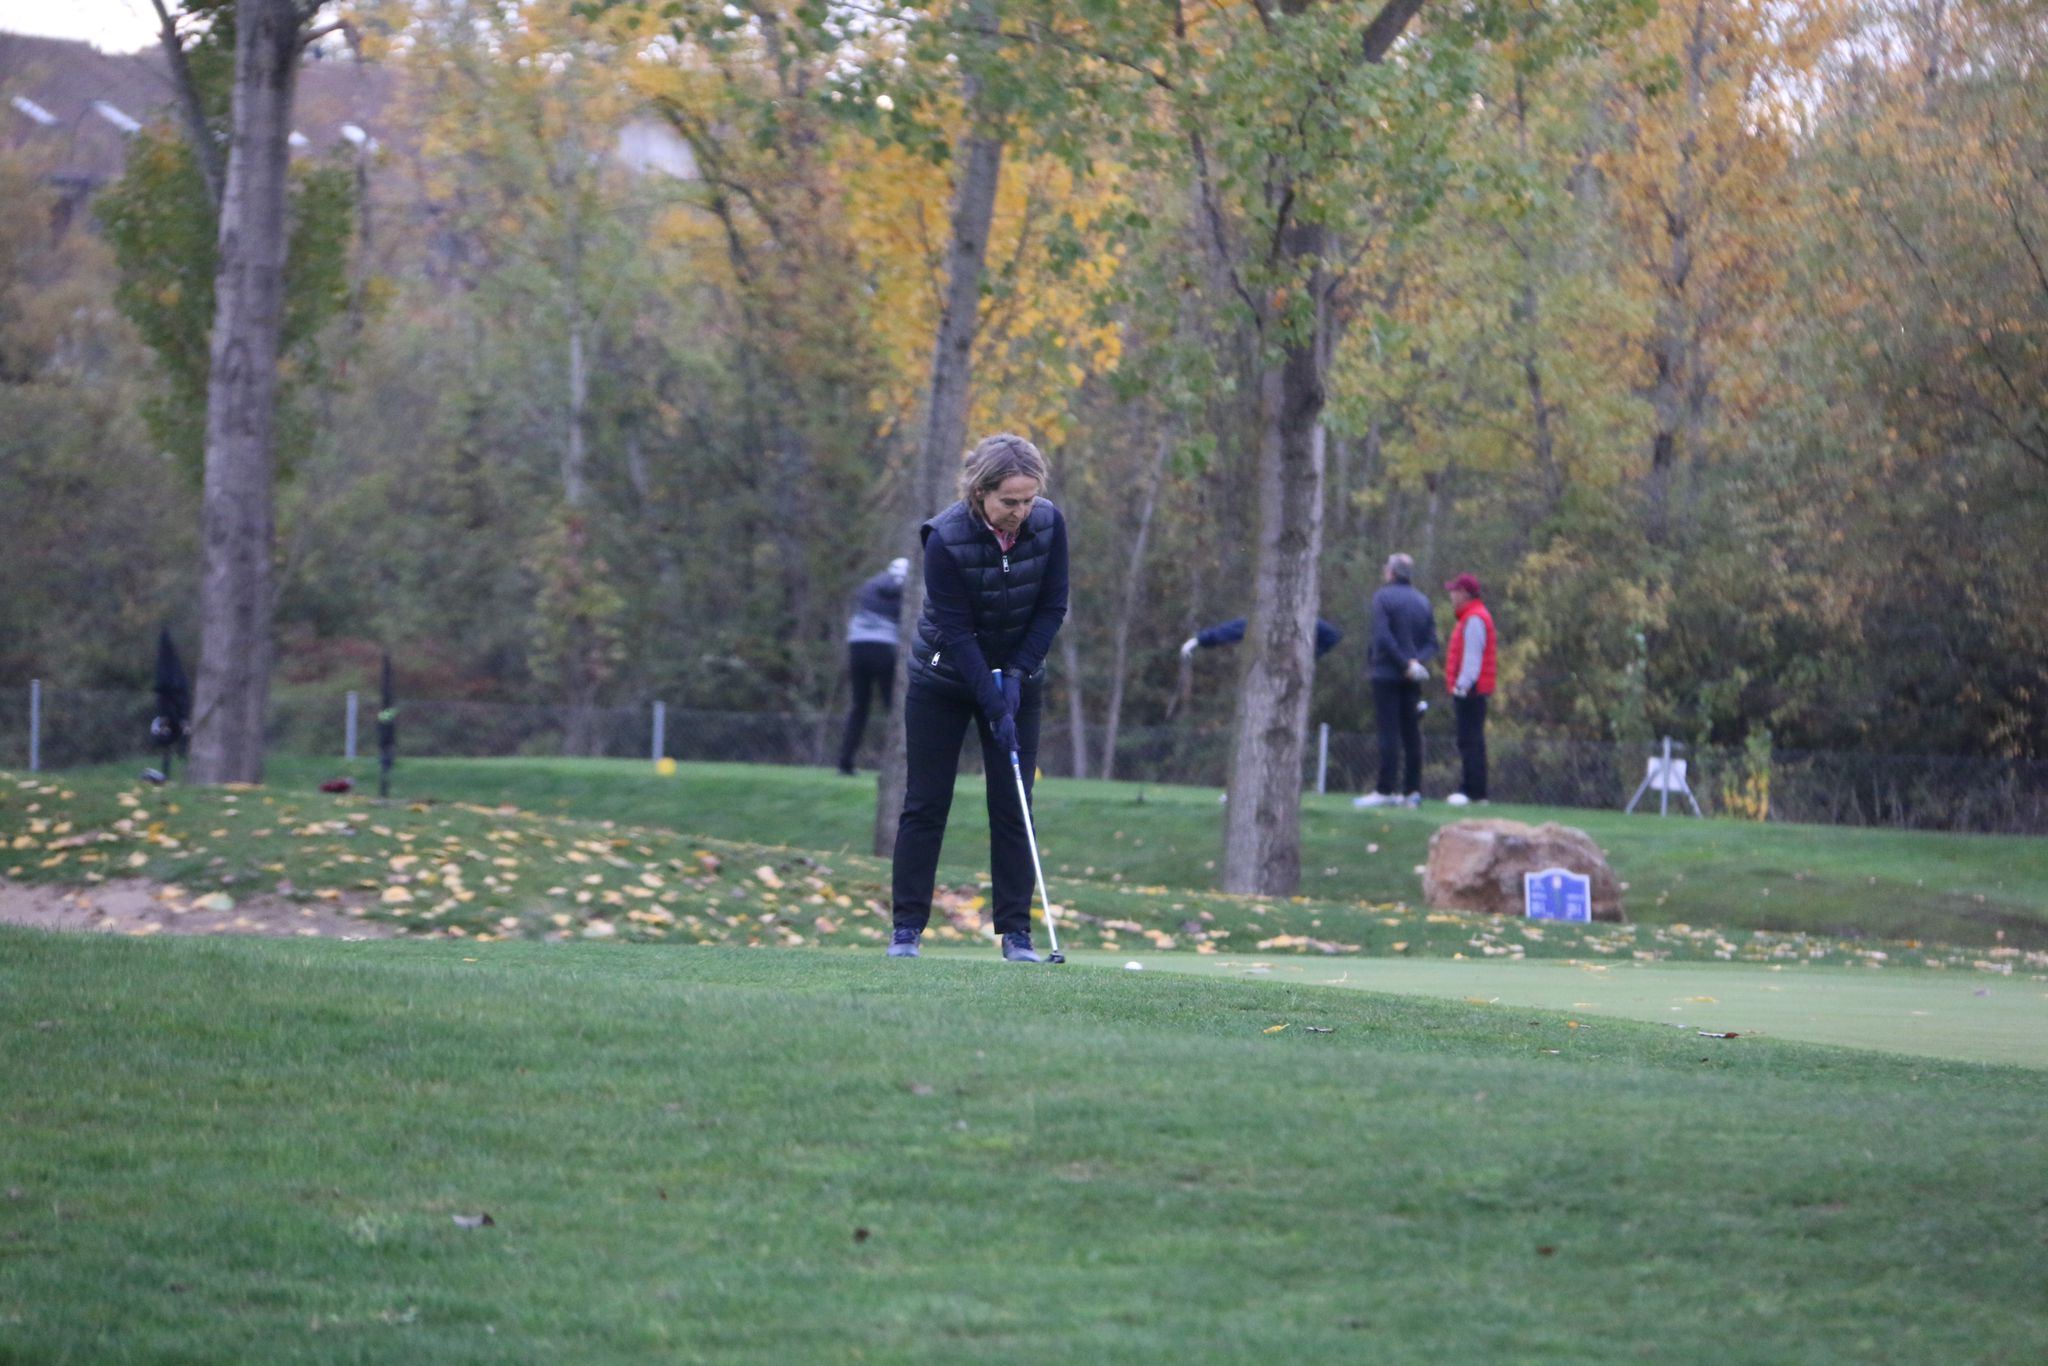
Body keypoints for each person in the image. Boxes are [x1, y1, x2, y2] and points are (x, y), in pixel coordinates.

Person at [889, 434, 1069, 963]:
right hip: (943, 680)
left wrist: (1015, 676)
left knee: (1014, 802)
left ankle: (1017, 934)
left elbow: (1053, 607)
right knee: (925, 803)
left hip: (1019, 677)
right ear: (980, 493)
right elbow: (957, 629)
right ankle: (906, 931)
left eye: (1028, 500)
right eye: (1008, 502)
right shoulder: (943, 538)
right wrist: (991, 701)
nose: (1020, 512)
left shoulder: (1050, 524)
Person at [1353, 552, 1438, 809]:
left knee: (1389, 732)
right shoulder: (1423, 601)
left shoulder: (1383, 597)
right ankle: (1412, 791)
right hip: (1412, 677)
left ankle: (1385, 789)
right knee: (1411, 732)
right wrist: (1414, 663)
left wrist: (1403, 663)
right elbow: (1432, 643)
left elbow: (1383, 637)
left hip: (1387, 674)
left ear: (1391, 572)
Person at [835, 556, 910, 775]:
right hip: (885, 648)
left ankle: (845, 762)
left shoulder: (870, 585)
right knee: (894, 707)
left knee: (859, 706)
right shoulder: (909, 589)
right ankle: (898, 763)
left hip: (857, 645)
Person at [1442, 572, 1497, 806]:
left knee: (1469, 741)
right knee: (1471, 740)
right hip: (1472, 689)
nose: (1451, 594)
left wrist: (1462, 686)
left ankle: (1472, 791)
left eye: (1454, 590)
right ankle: (1475, 791)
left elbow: (1472, 659)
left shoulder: (1474, 619)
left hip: (1471, 690)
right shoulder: (1470, 617)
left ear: (1464, 593)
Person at [1180, 616, 1344, 660]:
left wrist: (1312, 655)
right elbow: (1234, 630)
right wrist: (1199, 640)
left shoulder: (1305, 620)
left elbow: (1332, 636)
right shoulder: (1265, 620)